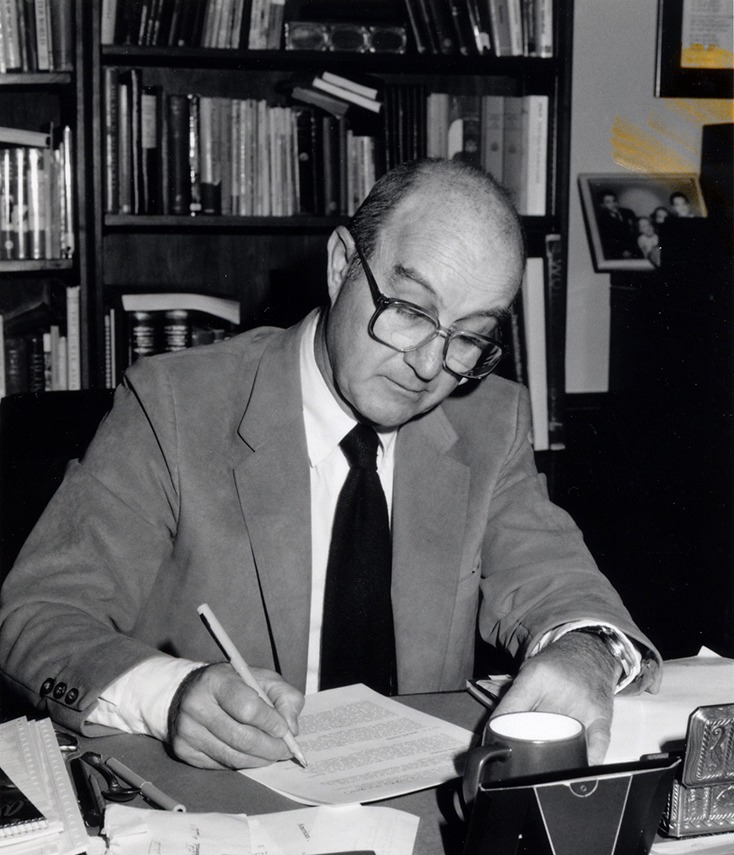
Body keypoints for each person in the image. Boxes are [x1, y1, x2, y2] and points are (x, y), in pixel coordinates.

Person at [0, 159, 661, 773]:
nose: (430, 366)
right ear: (343, 263)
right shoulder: (176, 406)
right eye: (408, 311)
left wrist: (584, 653)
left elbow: (555, 579)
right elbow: (38, 615)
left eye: (468, 337)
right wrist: (171, 696)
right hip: (216, 810)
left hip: (416, 811)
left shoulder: (488, 422)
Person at [596, 190, 638, 259]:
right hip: (617, 253)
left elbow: (636, 231)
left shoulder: (628, 213)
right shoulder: (601, 220)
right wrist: (622, 251)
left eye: (614, 200)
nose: (613, 204)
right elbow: (607, 240)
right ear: (602, 205)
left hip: (635, 248)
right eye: (608, 202)